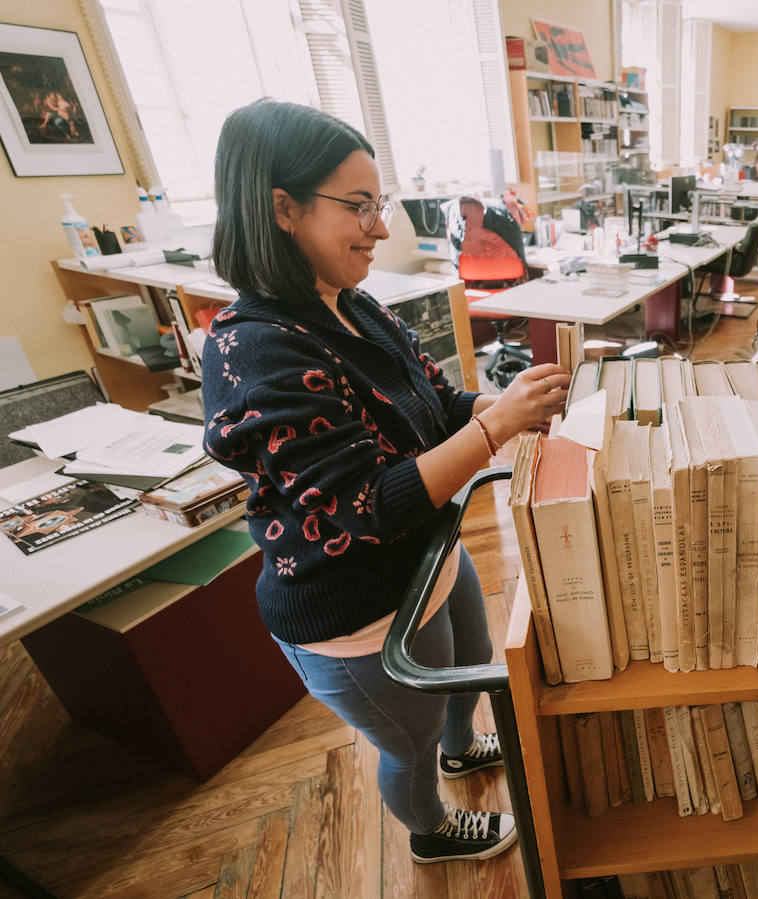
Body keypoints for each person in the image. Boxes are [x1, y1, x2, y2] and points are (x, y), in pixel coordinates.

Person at [200, 100, 569, 865]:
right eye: (360, 206)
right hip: (354, 611)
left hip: (429, 556)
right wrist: (496, 426)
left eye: (381, 204)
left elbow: (434, 404)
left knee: (462, 688)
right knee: (410, 741)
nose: (379, 226)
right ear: (284, 210)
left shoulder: (354, 305)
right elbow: (368, 506)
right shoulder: (257, 352)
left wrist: (500, 409)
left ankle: (463, 748)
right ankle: (431, 830)